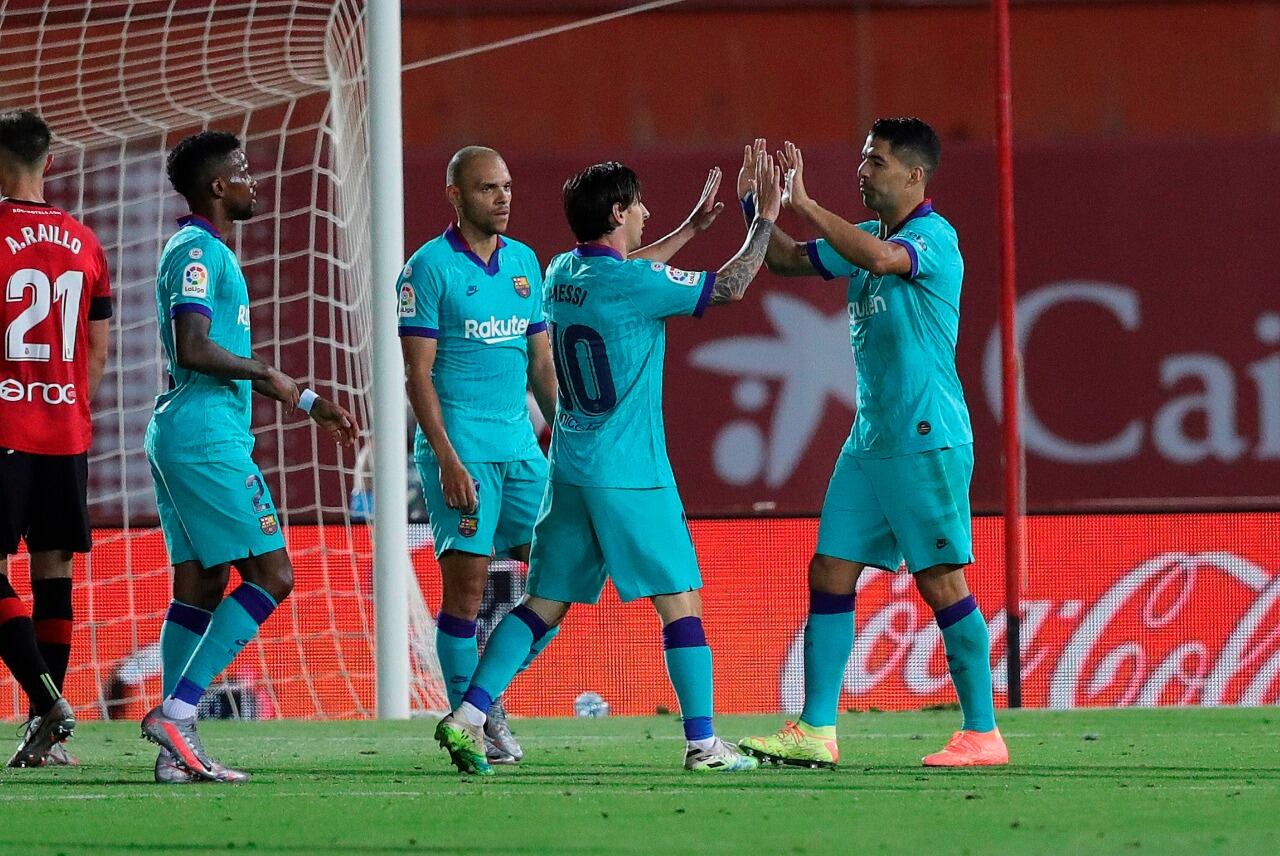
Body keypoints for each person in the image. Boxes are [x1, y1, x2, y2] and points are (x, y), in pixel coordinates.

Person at [435, 154, 781, 776]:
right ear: (619, 213)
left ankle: (467, 717)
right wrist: (764, 223)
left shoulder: (560, 272)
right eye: (640, 205)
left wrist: (692, 229)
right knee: (682, 601)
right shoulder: (634, 285)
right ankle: (703, 744)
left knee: (542, 604)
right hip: (632, 471)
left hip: (568, 467)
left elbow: (626, 271)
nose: (648, 214)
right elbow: (728, 287)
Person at [738, 120, 1008, 768]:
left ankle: (983, 733)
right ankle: (816, 729)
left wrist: (805, 204)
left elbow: (885, 261)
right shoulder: (868, 239)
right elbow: (783, 259)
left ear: (915, 176)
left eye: (877, 162)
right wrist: (758, 210)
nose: (864, 172)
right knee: (830, 570)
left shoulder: (931, 239)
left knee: (942, 582)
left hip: (924, 438)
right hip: (871, 439)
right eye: (863, 160)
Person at [140, 131, 359, 783]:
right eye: (240, 171)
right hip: (205, 436)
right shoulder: (198, 253)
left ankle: (173, 750)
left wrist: (308, 398)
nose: (251, 180)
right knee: (272, 577)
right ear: (215, 187)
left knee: (203, 585)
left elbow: (215, 351)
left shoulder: (200, 251)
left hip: (190, 431)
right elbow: (195, 346)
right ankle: (177, 712)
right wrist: (270, 374)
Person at [398, 146, 560, 764]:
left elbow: (541, 361)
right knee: (465, 597)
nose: (504, 197)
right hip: (462, 450)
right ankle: (474, 721)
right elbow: (419, 374)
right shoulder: (427, 270)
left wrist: (567, 433)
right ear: (455, 195)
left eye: (508, 186)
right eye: (489, 188)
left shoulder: (524, 263)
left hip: (521, 450)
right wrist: (445, 458)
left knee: (558, 575)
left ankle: (483, 700)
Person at [0, 109, 111, 767]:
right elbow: (96, 349)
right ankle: (47, 738)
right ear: (48, 162)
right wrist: (63, 403)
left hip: (5, 426)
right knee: (53, 571)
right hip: (65, 428)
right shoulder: (83, 240)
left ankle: (45, 705)